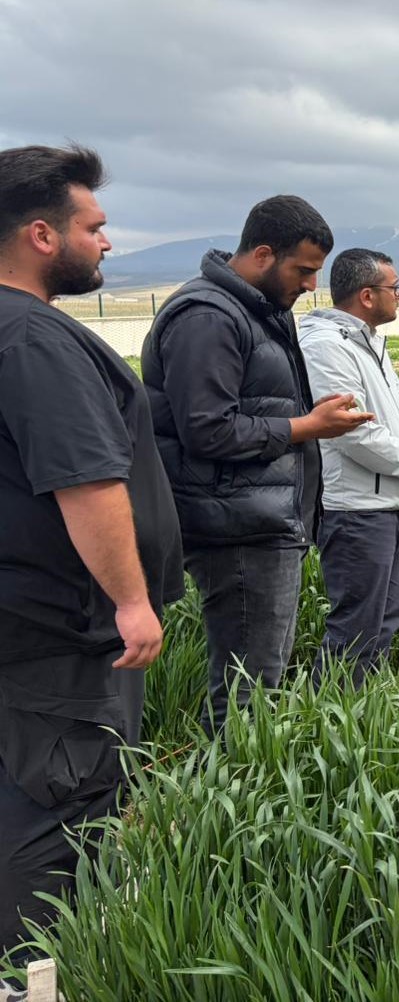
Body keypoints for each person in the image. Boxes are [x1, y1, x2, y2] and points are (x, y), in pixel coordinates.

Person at [0, 145, 184, 961]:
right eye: (95, 226)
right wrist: (131, 599)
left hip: (17, 625)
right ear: (42, 235)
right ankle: (36, 969)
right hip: (59, 635)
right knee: (59, 818)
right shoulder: (34, 339)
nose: (107, 243)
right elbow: (86, 479)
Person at [142, 196, 371, 735]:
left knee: (256, 679)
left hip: (259, 516)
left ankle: (231, 792)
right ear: (264, 254)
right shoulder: (208, 316)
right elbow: (208, 428)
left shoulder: (255, 310)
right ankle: (217, 804)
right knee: (248, 688)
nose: (312, 285)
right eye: (304, 270)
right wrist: (306, 427)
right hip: (235, 526)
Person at [300, 249, 399, 688]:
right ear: (366, 295)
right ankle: (331, 720)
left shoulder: (368, 342)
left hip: (389, 501)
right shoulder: (326, 346)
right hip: (356, 508)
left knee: (385, 619)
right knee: (356, 629)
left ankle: (365, 714)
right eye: (394, 288)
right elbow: (350, 432)